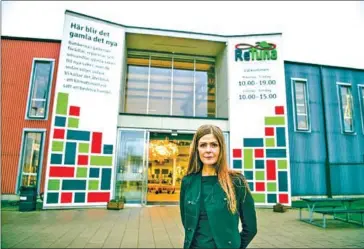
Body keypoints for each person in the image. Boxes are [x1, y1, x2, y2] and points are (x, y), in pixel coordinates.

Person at [180, 124, 257, 249]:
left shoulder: (236, 181)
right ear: (197, 149)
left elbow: (251, 228)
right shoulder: (188, 181)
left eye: (214, 145)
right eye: (203, 145)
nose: (208, 150)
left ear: (221, 148)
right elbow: (187, 222)